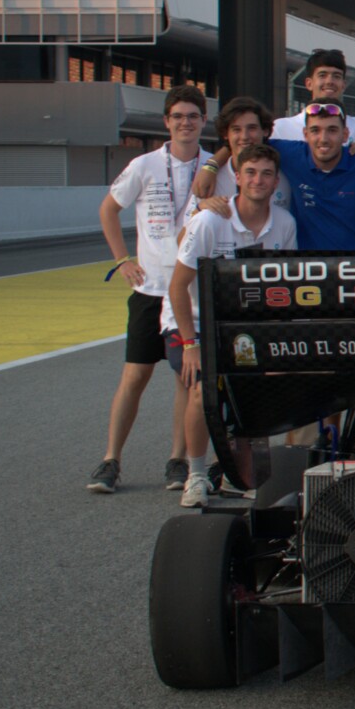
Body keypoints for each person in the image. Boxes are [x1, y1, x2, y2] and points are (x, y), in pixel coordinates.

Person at [89, 85, 211, 495]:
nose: (185, 123)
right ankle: (110, 460)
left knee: (185, 379)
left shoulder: (214, 167)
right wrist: (122, 259)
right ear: (166, 122)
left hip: (190, 291)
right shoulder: (143, 165)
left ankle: (178, 460)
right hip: (150, 289)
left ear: (203, 121)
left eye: (192, 116)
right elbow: (108, 209)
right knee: (135, 375)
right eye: (177, 116)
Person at [162, 143, 299, 507]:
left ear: (276, 182)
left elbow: (282, 288)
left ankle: (243, 474)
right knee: (202, 389)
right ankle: (195, 475)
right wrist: (190, 344)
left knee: (255, 390)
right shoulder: (209, 221)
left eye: (266, 174)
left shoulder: (284, 223)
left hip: (244, 324)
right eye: (250, 172)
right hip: (196, 323)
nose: (258, 180)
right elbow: (177, 286)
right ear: (237, 177)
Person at [263, 101, 355, 250]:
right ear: (305, 134)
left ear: (345, 135)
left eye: (332, 130)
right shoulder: (293, 155)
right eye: (315, 130)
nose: (323, 139)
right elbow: (248, 141)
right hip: (312, 263)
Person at [205, 95, 291, 211]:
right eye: (236, 129)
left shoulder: (285, 174)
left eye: (252, 128)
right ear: (226, 134)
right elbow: (189, 221)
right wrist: (200, 208)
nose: (244, 136)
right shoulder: (212, 179)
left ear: (265, 131)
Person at [272, 48, 355, 140]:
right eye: (322, 75)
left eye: (336, 76)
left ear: (343, 85)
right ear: (309, 84)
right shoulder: (281, 129)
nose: (330, 81)